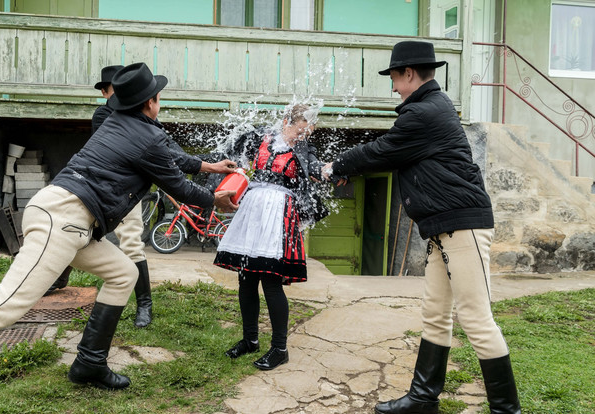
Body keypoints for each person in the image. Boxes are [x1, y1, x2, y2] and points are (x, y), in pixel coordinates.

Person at [0, 62, 238, 414]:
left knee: (123, 273)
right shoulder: (143, 135)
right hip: (63, 218)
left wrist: (208, 167)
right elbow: (179, 186)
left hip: (74, 219)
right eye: (158, 96)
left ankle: (89, 363)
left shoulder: (126, 125)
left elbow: (171, 160)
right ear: (151, 103)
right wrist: (215, 199)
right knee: (6, 305)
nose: (159, 102)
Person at [323, 41, 521, 414]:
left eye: (395, 79)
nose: (394, 87)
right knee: (435, 312)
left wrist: (337, 165)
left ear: (409, 74)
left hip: (462, 227)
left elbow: (383, 150)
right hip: (442, 229)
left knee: (476, 319)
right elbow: (392, 153)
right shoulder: (430, 107)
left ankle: (506, 410)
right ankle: (423, 398)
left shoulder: (423, 113)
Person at [50, 64, 237, 330]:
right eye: (117, 90)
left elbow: (171, 154)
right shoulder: (106, 116)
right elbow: (161, 160)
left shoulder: (147, 122)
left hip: (126, 195)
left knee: (130, 244)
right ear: (107, 93)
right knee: (76, 236)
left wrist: (211, 167)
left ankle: (144, 305)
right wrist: (212, 195)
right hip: (97, 193)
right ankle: (60, 278)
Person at [214, 104, 328, 371]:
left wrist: (336, 171)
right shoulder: (262, 137)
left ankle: (279, 349)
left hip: (279, 214)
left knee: (271, 282)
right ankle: (250, 339)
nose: (309, 130)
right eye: (306, 125)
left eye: (311, 126)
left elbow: (316, 167)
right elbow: (232, 155)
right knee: (246, 278)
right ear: (290, 120)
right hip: (254, 209)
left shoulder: (304, 148)